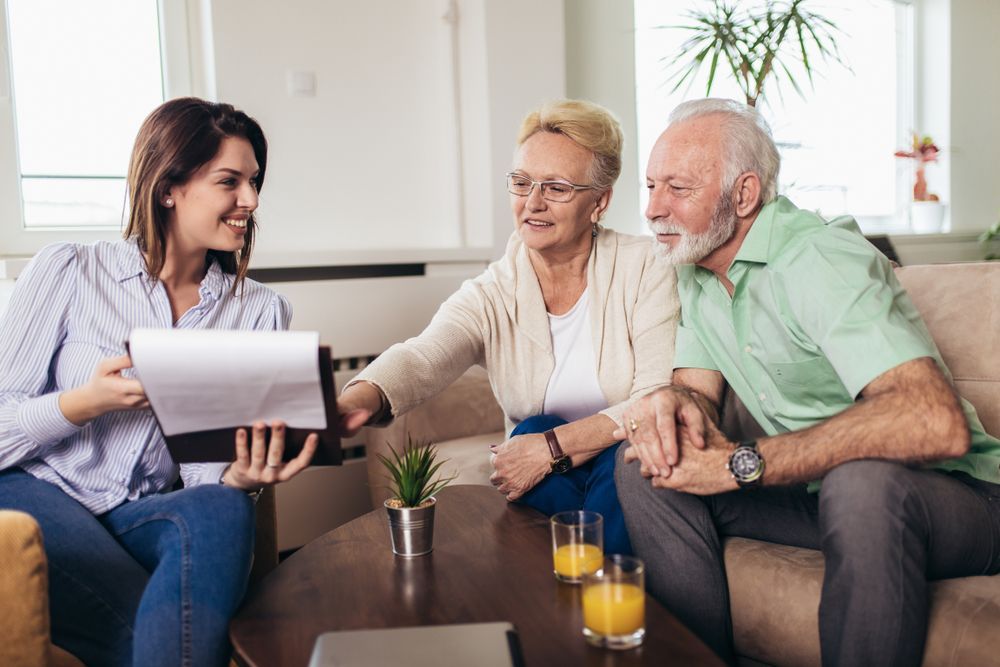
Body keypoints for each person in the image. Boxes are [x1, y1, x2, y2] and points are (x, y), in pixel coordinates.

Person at [616, 98, 1000, 666]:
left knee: (860, 482)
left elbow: (932, 420)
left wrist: (739, 463)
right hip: (818, 497)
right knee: (651, 467)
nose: (652, 209)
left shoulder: (818, 260)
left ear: (743, 195)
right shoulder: (698, 270)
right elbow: (696, 390)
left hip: (957, 500)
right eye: (650, 187)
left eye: (676, 188)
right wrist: (677, 406)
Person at [0, 97, 317, 667]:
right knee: (139, 631)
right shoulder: (70, 270)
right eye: (230, 181)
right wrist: (79, 405)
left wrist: (238, 474)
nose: (251, 200)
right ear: (169, 186)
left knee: (225, 510)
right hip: (36, 492)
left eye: (254, 181)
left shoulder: (260, 311)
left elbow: (201, 472)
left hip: (139, 512)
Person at [337, 99, 678, 554]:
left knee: (622, 462)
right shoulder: (495, 289)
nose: (532, 203)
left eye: (556, 187)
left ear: (600, 202)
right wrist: (357, 399)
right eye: (521, 183)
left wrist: (553, 447)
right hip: (545, 479)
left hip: (621, 463)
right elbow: (426, 355)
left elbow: (654, 399)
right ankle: (586, 587)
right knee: (529, 431)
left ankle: (592, 593)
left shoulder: (646, 268)